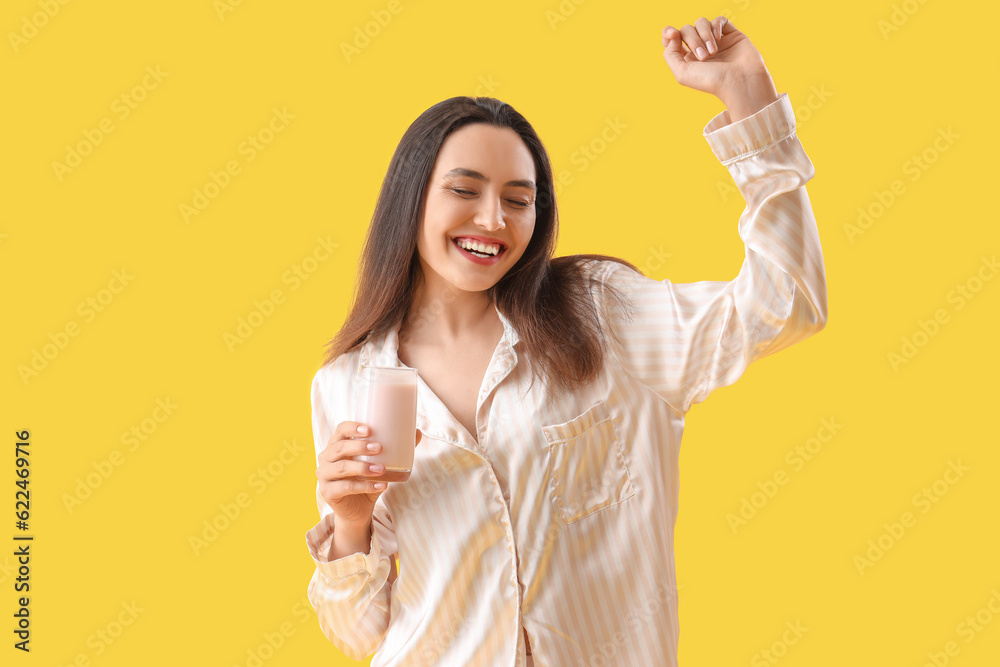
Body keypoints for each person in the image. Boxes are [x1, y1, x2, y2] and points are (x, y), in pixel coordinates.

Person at [304, 15, 828, 667]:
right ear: (410, 202)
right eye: (464, 190)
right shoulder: (346, 383)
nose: (492, 220)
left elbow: (788, 302)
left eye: (518, 200)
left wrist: (747, 95)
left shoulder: (601, 314)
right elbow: (361, 634)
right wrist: (351, 521)